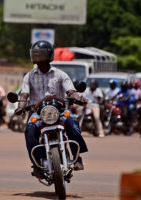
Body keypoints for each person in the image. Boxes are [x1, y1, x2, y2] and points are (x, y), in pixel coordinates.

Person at [16, 40, 88, 179]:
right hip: (38, 113)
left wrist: (79, 97)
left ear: (49, 55)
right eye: (36, 54)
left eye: (41, 54)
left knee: (72, 124)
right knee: (30, 129)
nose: (39, 58)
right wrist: (20, 107)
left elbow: (71, 91)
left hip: (59, 111)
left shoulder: (60, 74)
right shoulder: (29, 76)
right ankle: (36, 164)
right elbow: (24, 95)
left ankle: (77, 157)